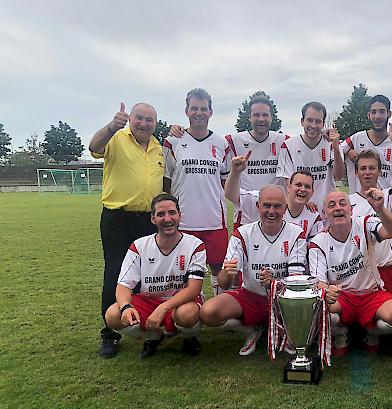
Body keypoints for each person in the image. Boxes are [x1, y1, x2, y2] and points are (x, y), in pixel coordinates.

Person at [89, 102, 164, 358]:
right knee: (115, 274)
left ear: (156, 123)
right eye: (139, 118)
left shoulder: (159, 147)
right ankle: (110, 334)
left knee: (148, 277)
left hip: (148, 221)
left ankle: (149, 333)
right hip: (117, 219)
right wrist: (111, 126)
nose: (144, 123)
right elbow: (94, 147)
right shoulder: (116, 138)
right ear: (130, 118)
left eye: (149, 120)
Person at [200, 185, 307, 356]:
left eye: (277, 206)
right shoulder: (242, 234)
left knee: (307, 310)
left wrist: (274, 284)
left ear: (285, 208)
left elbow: (296, 280)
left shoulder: (296, 234)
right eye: (266, 205)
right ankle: (251, 329)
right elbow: (223, 283)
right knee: (208, 312)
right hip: (250, 296)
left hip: (283, 300)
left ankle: (285, 329)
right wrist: (227, 274)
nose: (271, 211)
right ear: (258, 206)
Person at [104, 194, 207, 359]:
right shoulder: (139, 246)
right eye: (160, 214)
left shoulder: (195, 245)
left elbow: (194, 289)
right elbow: (123, 285)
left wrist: (163, 308)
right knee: (112, 314)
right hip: (150, 300)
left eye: (172, 213)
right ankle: (153, 337)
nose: (167, 218)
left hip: (181, 302)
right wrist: (126, 307)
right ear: (153, 219)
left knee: (187, 314)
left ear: (180, 216)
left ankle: (189, 337)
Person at [309, 189, 392, 354]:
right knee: (315, 311)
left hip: (371, 293)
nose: (338, 208)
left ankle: (372, 332)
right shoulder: (318, 242)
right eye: (331, 205)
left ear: (351, 209)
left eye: (342, 203)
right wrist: (327, 290)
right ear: (324, 214)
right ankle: (341, 333)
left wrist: (380, 209)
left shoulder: (365, 223)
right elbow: (318, 282)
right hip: (342, 296)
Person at [162, 88, 229, 296]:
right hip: (184, 220)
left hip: (214, 219)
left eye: (203, 108)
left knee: (219, 268)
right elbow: (166, 180)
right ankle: (191, 304)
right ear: (186, 111)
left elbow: (226, 181)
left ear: (211, 112)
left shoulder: (221, 143)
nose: (199, 112)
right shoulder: (172, 142)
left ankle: (219, 308)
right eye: (194, 108)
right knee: (183, 269)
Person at [348, 123, 392, 299]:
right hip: (363, 273)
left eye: (371, 168)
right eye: (363, 168)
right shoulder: (348, 203)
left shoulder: (388, 195)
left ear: (379, 171)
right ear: (356, 173)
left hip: (390, 270)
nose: (367, 172)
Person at [225, 154, 323, 238]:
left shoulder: (313, 215)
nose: (302, 189)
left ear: (312, 192)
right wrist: (235, 172)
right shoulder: (266, 200)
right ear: (288, 187)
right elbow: (231, 195)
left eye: (307, 186)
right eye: (298, 185)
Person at [277, 102, 345, 209]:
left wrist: (336, 149)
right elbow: (289, 183)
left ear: (323, 124)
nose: (313, 125)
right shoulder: (288, 146)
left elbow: (339, 176)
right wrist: (304, 201)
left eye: (318, 121)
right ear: (302, 121)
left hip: (327, 209)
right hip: (299, 208)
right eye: (309, 120)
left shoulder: (332, 144)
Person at [339, 95, 392, 192]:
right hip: (359, 202)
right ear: (368, 115)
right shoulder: (356, 138)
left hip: (386, 202)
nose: (377, 116)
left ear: (389, 114)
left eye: (382, 111)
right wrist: (348, 151)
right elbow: (337, 148)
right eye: (373, 112)